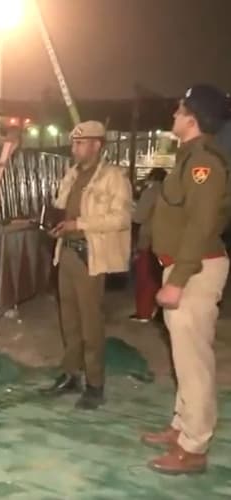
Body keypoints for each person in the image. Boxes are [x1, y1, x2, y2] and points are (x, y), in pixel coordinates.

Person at [142, 84, 231, 475]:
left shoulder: (203, 163)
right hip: (185, 266)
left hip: (194, 269)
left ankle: (194, 447)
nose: (174, 115)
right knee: (183, 356)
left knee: (194, 362)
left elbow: (201, 225)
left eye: (179, 110)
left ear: (192, 119)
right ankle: (182, 427)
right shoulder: (189, 157)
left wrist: (177, 279)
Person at [41, 120, 132, 409]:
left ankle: (95, 384)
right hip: (67, 252)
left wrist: (79, 224)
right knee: (69, 321)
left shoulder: (113, 177)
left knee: (91, 323)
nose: (74, 148)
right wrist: (56, 224)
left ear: (96, 145)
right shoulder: (73, 174)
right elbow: (62, 208)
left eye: (80, 144)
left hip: (90, 256)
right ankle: (71, 374)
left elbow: (122, 218)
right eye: (74, 143)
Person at [130, 168, 167, 322]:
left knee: (145, 278)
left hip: (149, 240)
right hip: (167, 242)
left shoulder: (151, 192)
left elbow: (139, 217)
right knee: (160, 278)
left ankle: (144, 312)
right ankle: (160, 312)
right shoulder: (171, 192)